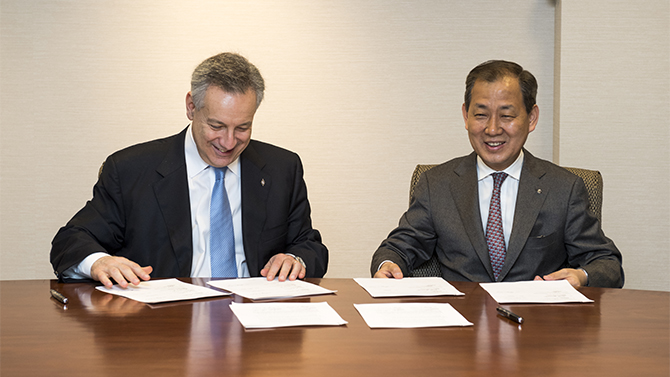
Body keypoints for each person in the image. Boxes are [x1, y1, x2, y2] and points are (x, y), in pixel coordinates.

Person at [51, 52, 328, 288]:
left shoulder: (282, 168)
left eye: (242, 128)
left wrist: (296, 259)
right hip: (165, 327)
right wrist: (100, 262)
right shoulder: (130, 170)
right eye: (216, 126)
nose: (229, 142)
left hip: (256, 328)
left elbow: (310, 245)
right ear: (191, 107)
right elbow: (71, 240)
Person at [371, 60, 623, 288]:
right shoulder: (437, 183)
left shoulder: (564, 188)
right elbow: (399, 248)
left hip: (537, 328)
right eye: (480, 115)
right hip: (460, 328)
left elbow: (606, 263)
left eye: (506, 115)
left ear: (532, 118)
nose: (492, 129)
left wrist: (582, 276)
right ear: (465, 116)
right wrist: (388, 265)